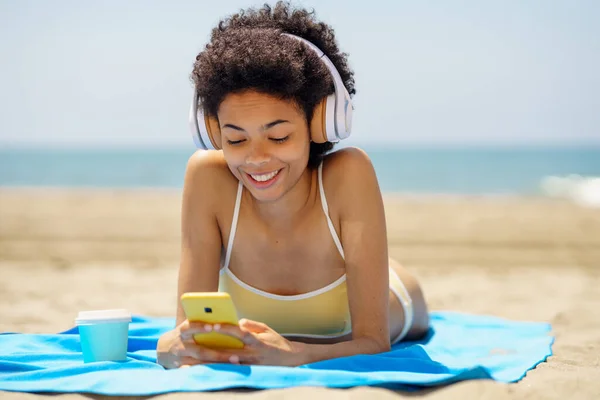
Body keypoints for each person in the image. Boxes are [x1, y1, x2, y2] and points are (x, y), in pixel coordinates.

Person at [157, 1, 429, 368]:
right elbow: (184, 332)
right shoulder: (208, 177)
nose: (257, 159)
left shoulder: (350, 172)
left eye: (280, 137)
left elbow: (373, 342)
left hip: (398, 296)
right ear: (212, 131)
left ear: (320, 124)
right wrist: (173, 347)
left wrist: (293, 354)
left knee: (395, 287)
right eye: (236, 140)